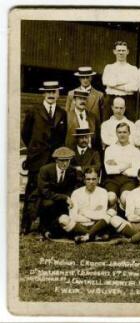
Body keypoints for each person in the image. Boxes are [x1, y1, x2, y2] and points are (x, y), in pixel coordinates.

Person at [21, 81, 67, 234]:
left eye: (54, 92)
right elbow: (26, 135)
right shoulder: (34, 111)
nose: (51, 95)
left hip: (52, 159)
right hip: (37, 158)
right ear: (43, 94)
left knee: (49, 191)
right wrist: (35, 150)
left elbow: (63, 136)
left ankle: (44, 224)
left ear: (58, 94)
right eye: (48, 92)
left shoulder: (62, 113)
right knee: (32, 191)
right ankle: (25, 224)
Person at [58, 167, 114, 243]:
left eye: (94, 179)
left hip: (96, 225)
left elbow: (102, 214)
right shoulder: (76, 193)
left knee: (110, 213)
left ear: (98, 179)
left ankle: (85, 236)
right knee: (63, 219)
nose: (91, 182)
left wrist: (84, 212)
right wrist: (91, 217)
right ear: (84, 180)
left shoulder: (103, 192)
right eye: (88, 179)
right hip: (79, 225)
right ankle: (92, 235)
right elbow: (73, 216)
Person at [36, 147, 78, 239]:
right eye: (62, 160)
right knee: (49, 204)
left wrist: (70, 198)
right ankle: (43, 228)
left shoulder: (72, 171)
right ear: (56, 160)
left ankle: (58, 228)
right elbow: (45, 191)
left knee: (70, 208)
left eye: (67, 160)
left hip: (63, 200)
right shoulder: (45, 170)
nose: (65, 163)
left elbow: (72, 188)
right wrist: (64, 197)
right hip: (47, 199)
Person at [103, 122, 139, 210]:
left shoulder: (135, 150)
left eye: (124, 132)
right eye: (119, 132)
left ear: (129, 133)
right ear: (116, 133)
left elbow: (136, 170)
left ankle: (125, 214)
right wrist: (127, 165)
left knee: (125, 198)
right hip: (112, 179)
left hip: (128, 180)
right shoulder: (110, 149)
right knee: (110, 198)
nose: (122, 135)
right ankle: (113, 211)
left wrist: (117, 165)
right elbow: (109, 170)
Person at [102, 41, 139, 121]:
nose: (121, 53)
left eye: (123, 50)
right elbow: (106, 81)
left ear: (127, 52)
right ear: (114, 51)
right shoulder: (109, 67)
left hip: (128, 100)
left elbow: (135, 87)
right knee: (108, 123)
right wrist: (126, 82)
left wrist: (113, 85)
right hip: (111, 99)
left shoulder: (133, 69)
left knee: (129, 124)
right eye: (119, 50)